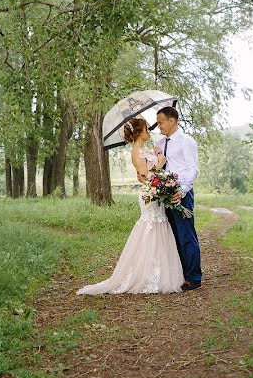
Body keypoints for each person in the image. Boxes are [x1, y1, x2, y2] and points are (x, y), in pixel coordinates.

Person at [77, 117, 184, 295]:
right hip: (149, 195)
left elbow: (144, 175)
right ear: (139, 133)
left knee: (159, 227)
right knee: (151, 228)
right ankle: (146, 275)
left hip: (153, 194)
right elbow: (147, 176)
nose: (149, 132)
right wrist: (160, 162)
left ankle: (157, 272)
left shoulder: (143, 149)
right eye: (147, 130)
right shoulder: (137, 151)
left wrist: (156, 155)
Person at [153, 106, 202, 290]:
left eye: (160, 122)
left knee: (186, 235)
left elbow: (192, 169)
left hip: (182, 194)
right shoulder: (159, 143)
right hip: (164, 194)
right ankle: (180, 274)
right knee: (172, 236)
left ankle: (193, 277)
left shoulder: (186, 141)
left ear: (171, 121)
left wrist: (181, 190)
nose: (159, 127)